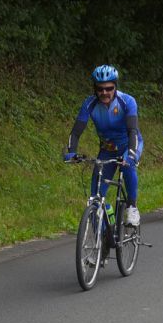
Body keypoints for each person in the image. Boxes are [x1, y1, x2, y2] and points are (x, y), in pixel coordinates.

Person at [63, 65, 144, 226]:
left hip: (129, 144)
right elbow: (76, 132)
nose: (104, 92)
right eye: (100, 89)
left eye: (109, 88)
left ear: (115, 87)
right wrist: (72, 152)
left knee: (128, 167)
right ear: (95, 89)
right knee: (96, 197)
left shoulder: (127, 101)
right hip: (107, 149)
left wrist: (132, 153)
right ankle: (105, 235)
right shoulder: (89, 104)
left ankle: (132, 207)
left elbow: (132, 130)